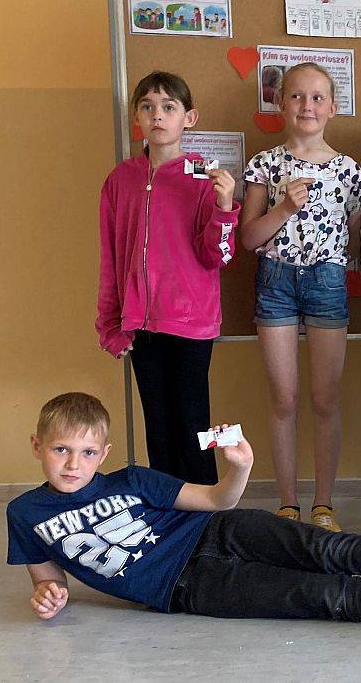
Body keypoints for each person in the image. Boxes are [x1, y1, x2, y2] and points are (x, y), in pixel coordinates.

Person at [7, 393, 361, 639]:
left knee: (328, 548)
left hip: (216, 529)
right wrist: (49, 596)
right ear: (36, 446)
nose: (73, 464)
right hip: (186, 587)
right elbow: (49, 580)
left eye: (87, 452)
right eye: (60, 449)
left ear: (104, 452)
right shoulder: (25, 513)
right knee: (323, 596)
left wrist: (241, 468)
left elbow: (217, 501)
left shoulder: (133, 479)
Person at [239, 63, 361, 531]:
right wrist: (285, 208)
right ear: (280, 103)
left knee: (325, 399)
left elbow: (357, 246)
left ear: (333, 107)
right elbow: (248, 238)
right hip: (275, 281)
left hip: (328, 282)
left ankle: (324, 505)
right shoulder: (265, 163)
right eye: (296, 96)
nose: (306, 106)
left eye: (316, 98)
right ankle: (288, 504)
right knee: (284, 399)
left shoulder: (349, 170)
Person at [96, 71, 239, 485]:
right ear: (137, 117)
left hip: (191, 323)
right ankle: (167, 508)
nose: (157, 115)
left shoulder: (204, 179)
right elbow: (110, 258)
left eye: (168, 107)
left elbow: (218, 256)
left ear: (188, 118)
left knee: (194, 424)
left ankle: (205, 508)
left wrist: (224, 206)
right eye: (148, 107)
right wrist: (110, 325)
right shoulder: (120, 181)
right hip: (141, 324)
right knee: (157, 425)